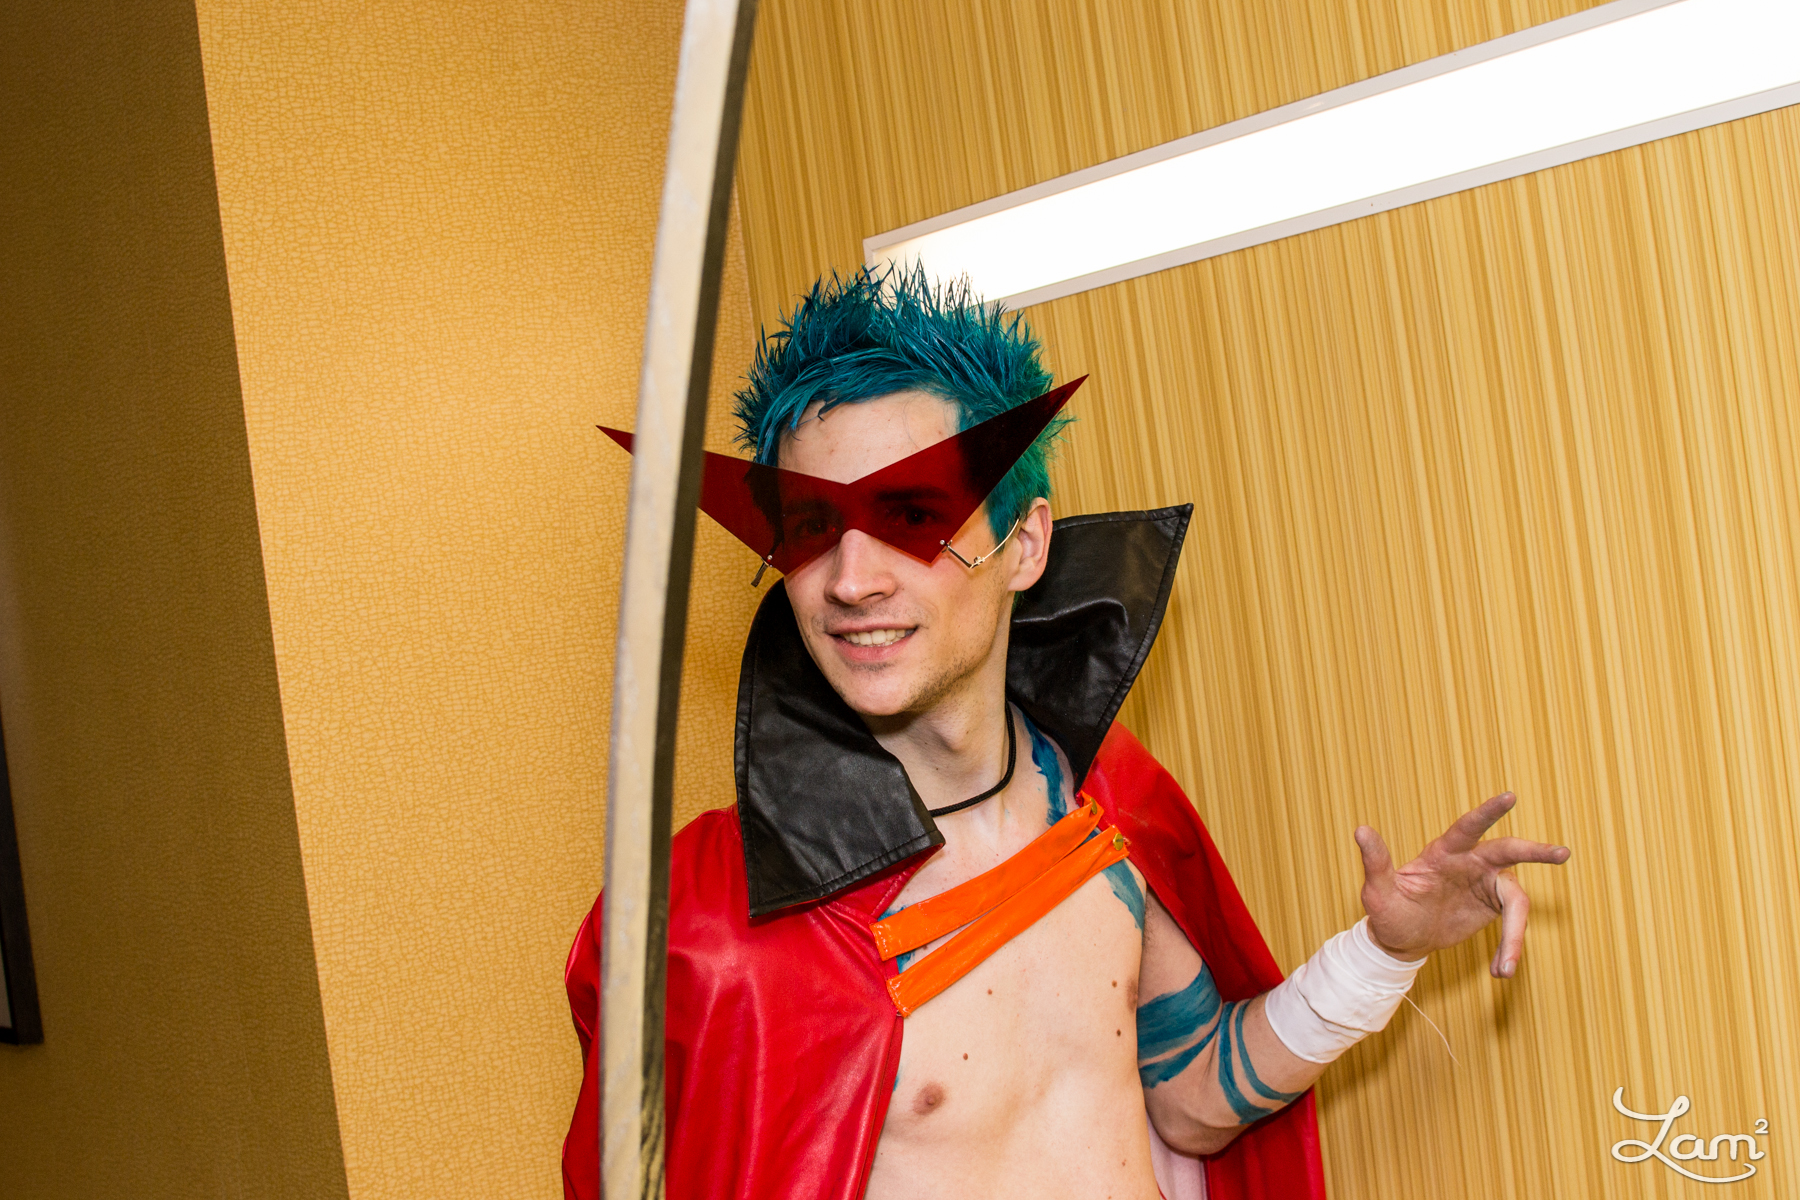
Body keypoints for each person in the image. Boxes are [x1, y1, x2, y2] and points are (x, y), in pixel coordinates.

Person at [564, 266, 1571, 1200]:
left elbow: (1191, 1095)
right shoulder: (704, 926)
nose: (853, 580)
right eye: (812, 528)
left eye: (911, 518)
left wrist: (1381, 956)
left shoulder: (1101, 806)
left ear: (1026, 543)